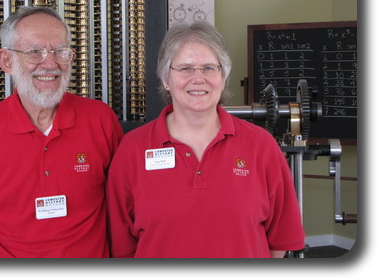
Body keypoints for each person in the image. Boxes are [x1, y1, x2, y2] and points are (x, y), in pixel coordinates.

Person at [0, 6, 123, 258]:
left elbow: (124, 206)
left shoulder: (100, 120)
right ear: (6, 61)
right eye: (35, 52)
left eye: (60, 51)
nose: (50, 63)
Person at [106, 21, 305, 258]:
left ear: (223, 78)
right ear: (166, 79)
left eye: (209, 68)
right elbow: (122, 247)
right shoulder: (132, 149)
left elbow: (279, 240)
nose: (198, 78)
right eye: (186, 68)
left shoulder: (261, 146)